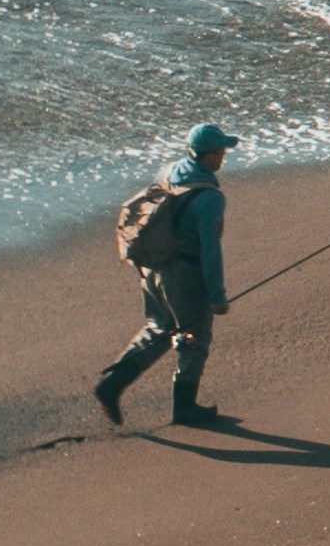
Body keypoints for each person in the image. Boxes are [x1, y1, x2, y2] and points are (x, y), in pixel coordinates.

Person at [95, 122, 234, 429]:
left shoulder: (170, 171)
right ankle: (184, 407)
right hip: (182, 274)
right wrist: (216, 295)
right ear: (209, 155)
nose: (223, 156)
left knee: (160, 327)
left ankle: (112, 384)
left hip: (151, 266)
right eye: (221, 150)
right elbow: (210, 249)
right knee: (193, 336)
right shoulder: (210, 198)